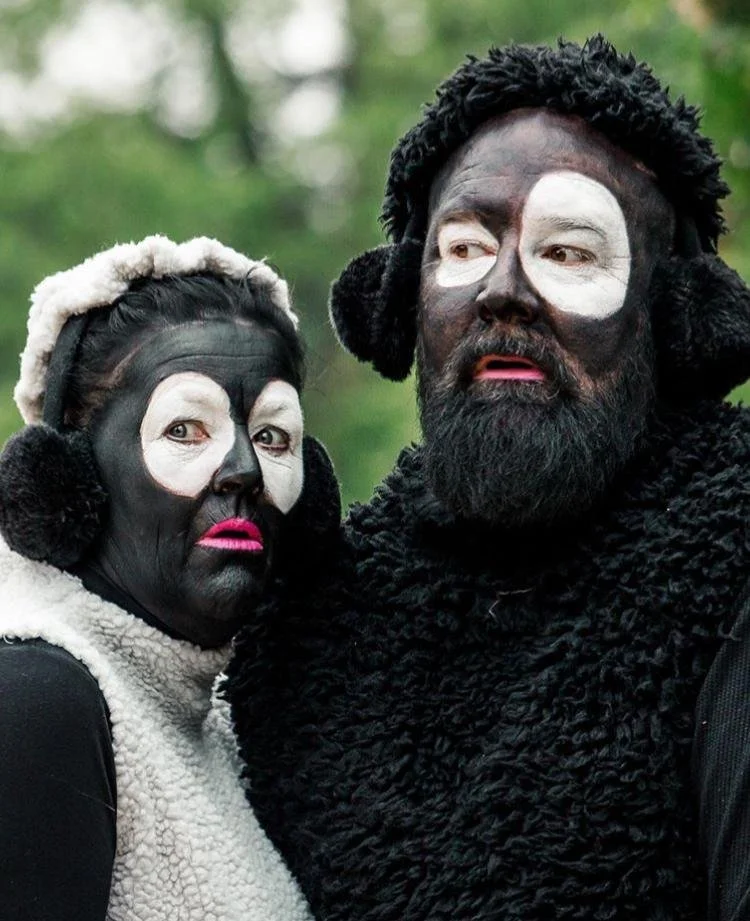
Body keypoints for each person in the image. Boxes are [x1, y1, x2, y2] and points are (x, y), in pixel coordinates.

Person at [224, 35, 750, 921]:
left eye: (571, 251)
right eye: (464, 248)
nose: (502, 289)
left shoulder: (733, 567)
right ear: (400, 303)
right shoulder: (317, 615)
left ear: (679, 315)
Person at [0, 235, 337, 920]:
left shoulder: (214, 718)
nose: (242, 468)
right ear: (66, 480)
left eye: (272, 436)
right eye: (187, 428)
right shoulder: (37, 698)